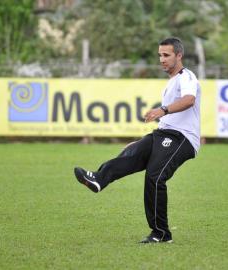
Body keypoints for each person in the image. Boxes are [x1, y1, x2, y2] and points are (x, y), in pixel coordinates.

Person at [74, 37, 201, 244]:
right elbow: (169, 120)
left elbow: (189, 100)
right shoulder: (170, 83)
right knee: (131, 154)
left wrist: (162, 109)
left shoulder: (187, 77)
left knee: (156, 177)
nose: (162, 59)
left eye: (166, 55)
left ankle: (161, 233)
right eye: (160, 55)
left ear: (179, 55)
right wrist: (141, 142)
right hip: (165, 133)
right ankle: (98, 178)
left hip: (183, 138)